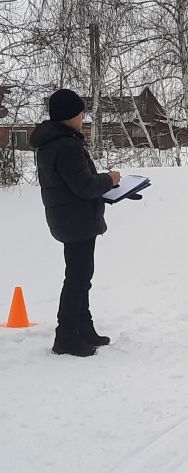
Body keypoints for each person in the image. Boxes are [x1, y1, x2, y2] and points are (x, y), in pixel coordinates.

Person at [30, 89, 121, 357]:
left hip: (69, 219)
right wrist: (110, 179)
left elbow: (74, 185)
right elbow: (84, 186)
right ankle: (66, 337)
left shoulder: (54, 142)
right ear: (69, 116)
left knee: (81, 277)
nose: (83, 117)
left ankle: (83, 328)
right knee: (77, 279)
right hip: (76, 221)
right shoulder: (66, 146)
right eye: (80, 112)